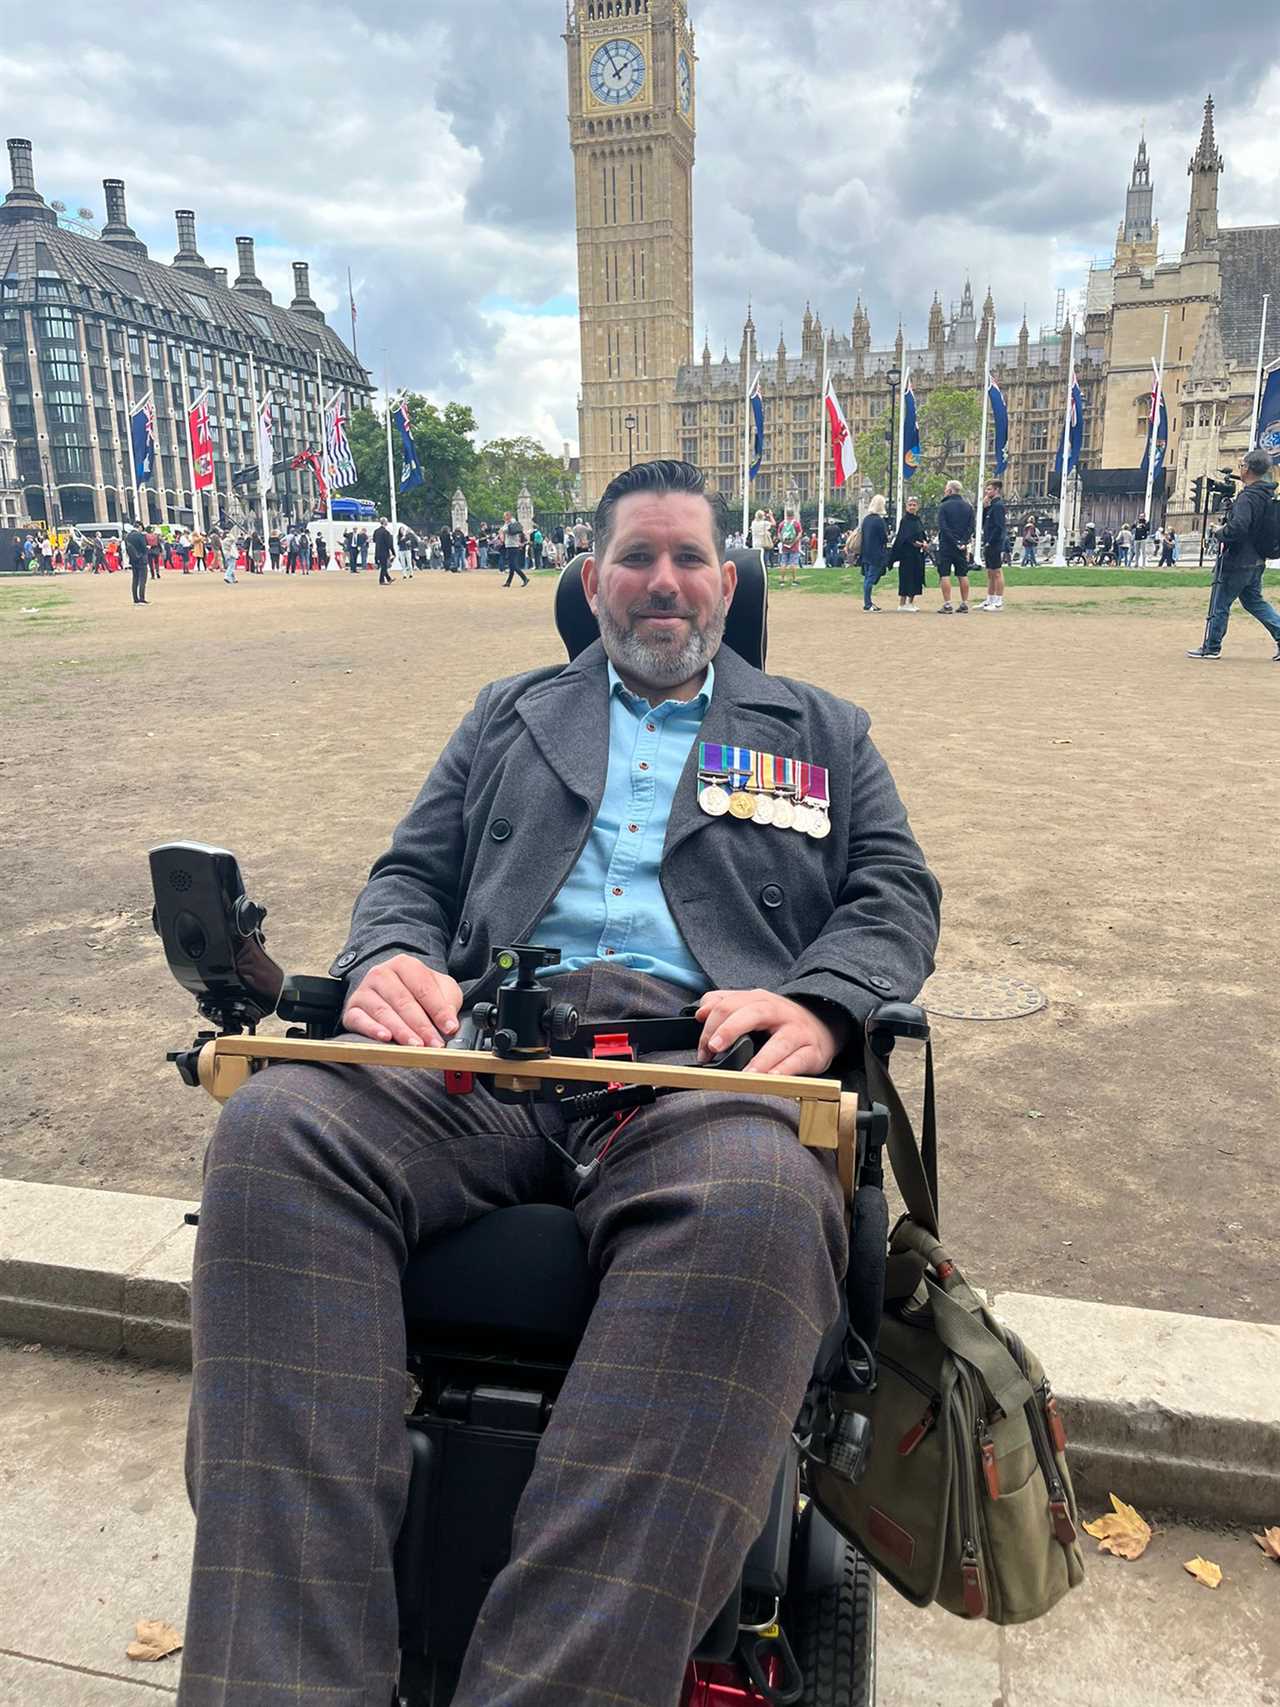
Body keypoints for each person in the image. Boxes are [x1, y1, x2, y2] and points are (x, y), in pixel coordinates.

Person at [176, 456, 940, 1707]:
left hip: (697, 1074)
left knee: (757, 1212)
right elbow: (407, 876)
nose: (662, 582)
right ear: (589, 583)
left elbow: (894, 898)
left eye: (689, 558)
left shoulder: (821, 731)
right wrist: (391, 959)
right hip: (486, 1051)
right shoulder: (505, 715)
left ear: (727, 582)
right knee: (272, 1134)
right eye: (635, 557)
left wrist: (818, 999)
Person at [1187, 447, 1280, 661]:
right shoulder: (1267, 494)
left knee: (1220, 603)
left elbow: (1239, 527)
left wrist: (1219, 532)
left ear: (1247, 469)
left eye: (1242, 465)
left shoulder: (1248, 497)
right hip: (1257, 558)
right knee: (1254, 601)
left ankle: (1212, 646)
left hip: (1238, 559)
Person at [935, 479, 975, 614]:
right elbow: (971, 527)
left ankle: (947, 604)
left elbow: (943, 527)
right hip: (962, 546)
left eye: (946, 489)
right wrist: (962, 541)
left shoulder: (944, 507)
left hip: (947, 545)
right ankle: (964, 603)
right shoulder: (968, 507)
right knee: (962, 574)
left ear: (950, 491)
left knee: (945, 574)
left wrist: (954, 541)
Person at [889, 494, 926, 610]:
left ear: (918, 507)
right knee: (906, 578)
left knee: (916, 578)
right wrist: (916, 543)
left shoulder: (918, 520)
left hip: (917, 555)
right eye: (910, 505)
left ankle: (911, 602)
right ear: (906, 507)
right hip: (907, 555)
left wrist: (925, 542)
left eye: (914, 505)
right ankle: (902, 603)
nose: (912, 507)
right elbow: (904, 537)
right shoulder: (905, 520)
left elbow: (922, 534)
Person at [857, 494, 889, 611]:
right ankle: (868, 603)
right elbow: (884, 539)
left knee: (867, 579)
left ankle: (868, 602)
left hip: (866, 552)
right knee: (870, 579)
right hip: (876, 554)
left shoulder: (866, 520)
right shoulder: (879, 521)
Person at [979, 479, 1006, 610]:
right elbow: (985, 523)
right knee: (990, 572)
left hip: (994, 543)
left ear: (996, 490)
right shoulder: (992, 506)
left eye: (989, 489)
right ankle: (990, 599)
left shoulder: (999, 506)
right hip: (988, 542)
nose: (986, 491)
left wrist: (991, 542)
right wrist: (985, 508)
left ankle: (998, 601)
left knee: (997, 572)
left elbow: (999, 527)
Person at [124, 521, 150, 605]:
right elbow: (144, 547)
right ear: (139, 527)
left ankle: (135, 598)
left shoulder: (128, 536)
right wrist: (147, 548)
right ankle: (142, 598)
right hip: (141, 559)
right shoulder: (140, 535)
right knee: (142, 579)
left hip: (133, 559)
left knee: (135, 579)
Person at [501, 510, 529, 586]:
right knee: (511, 565)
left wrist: (506, 524)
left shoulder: (512, 523)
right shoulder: (509, 523)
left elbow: (504, 530)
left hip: (512, 545)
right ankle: (508, 582)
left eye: (505, 516)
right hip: (510, 545)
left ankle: (524, 578)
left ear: (508, 516)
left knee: (513, 565)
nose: (504, 518)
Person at [776, 508, 802, 585]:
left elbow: (779, 534)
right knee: (793, 564)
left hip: (785, 547)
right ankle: (794, 580)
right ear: (793, 514)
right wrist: (794, 541)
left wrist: (783, 542)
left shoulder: (782, 523)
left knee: (783, 563)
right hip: (794, 547)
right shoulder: (796, 523)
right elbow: (800, 533)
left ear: (786, 514)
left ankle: (782, 580)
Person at [372, 516, 395, 585]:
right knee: (384, 567)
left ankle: (388, 578)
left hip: (377, 551)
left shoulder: (376, 531)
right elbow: (389, 544)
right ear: (384, 522)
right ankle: (381, 580)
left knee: (383, 566)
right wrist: (393, 552)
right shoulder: (386, 532)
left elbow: (374, 540)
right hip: (384, 552)